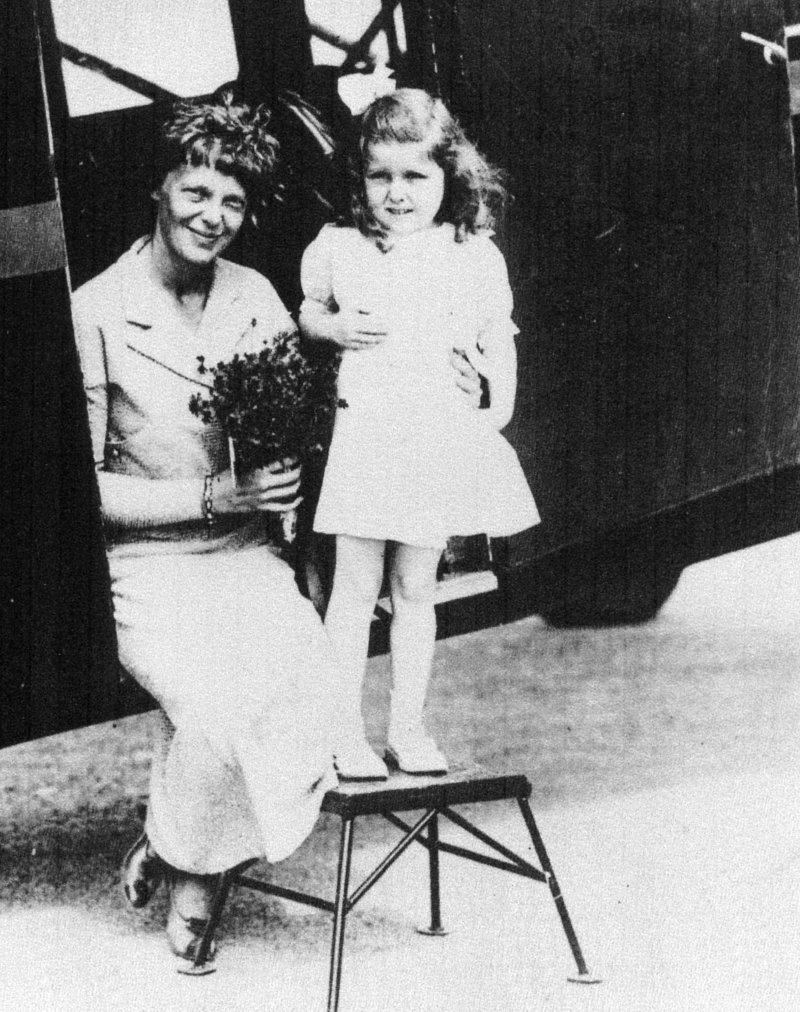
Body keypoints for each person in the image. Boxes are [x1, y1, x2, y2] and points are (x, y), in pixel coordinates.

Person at [71, 95, 340, 963]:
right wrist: (217, 496)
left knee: (311, 686)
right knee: (219, 709)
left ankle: (173, 840)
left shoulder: (256, 295)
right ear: (159, 188)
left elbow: (288, 431)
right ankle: (198, 879)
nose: (212, 216)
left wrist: (285, 493)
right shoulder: (97, 309)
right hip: (148, 567)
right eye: (196, 192)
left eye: (231, 201)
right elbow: (84, 491)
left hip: (246, 556)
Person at [299, 89, 540, 781]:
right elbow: (309, 309)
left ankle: (408, 728)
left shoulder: (471, 253)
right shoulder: (340, 246)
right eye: (381, 176)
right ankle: (344, 734)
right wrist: (333, 328)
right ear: (360, 179)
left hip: (432, 439)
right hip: (368, 440)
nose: (397, 193)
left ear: (448, 177)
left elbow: (501, 339)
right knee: (352, 590)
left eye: (415, 176)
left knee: (416, 590)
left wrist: (491, 401)